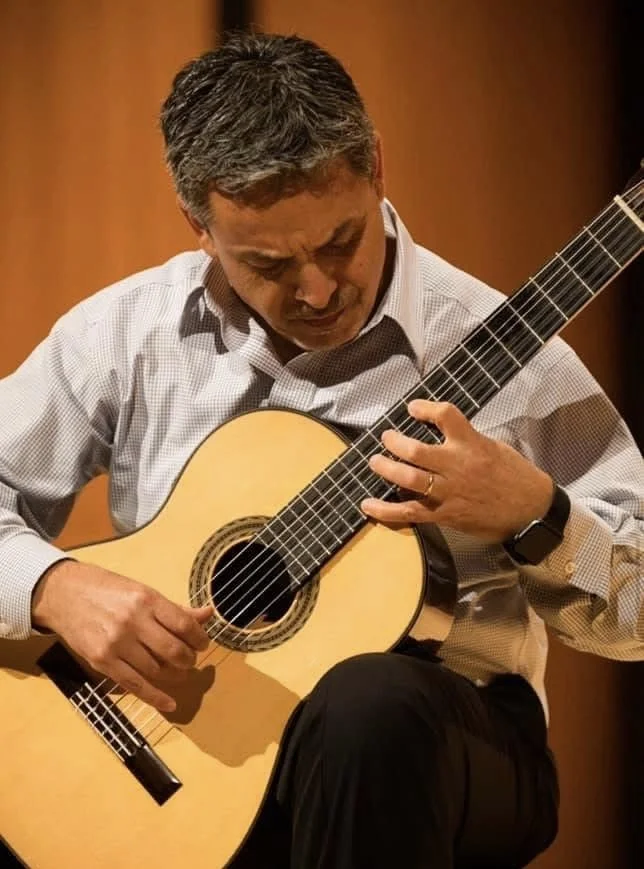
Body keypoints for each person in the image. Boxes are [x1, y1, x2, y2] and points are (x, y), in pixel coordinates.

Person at [0, 31, 642, 869]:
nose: (316, 289)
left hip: (443, 744)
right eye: (267, 262)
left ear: (376, 166)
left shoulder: (516, 363)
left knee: (364, 707)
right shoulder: (128, 332)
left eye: (341, 241)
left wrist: (539, 515)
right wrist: (53, 585)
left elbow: (636, 612)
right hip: (196, 736)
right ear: (198, 222)